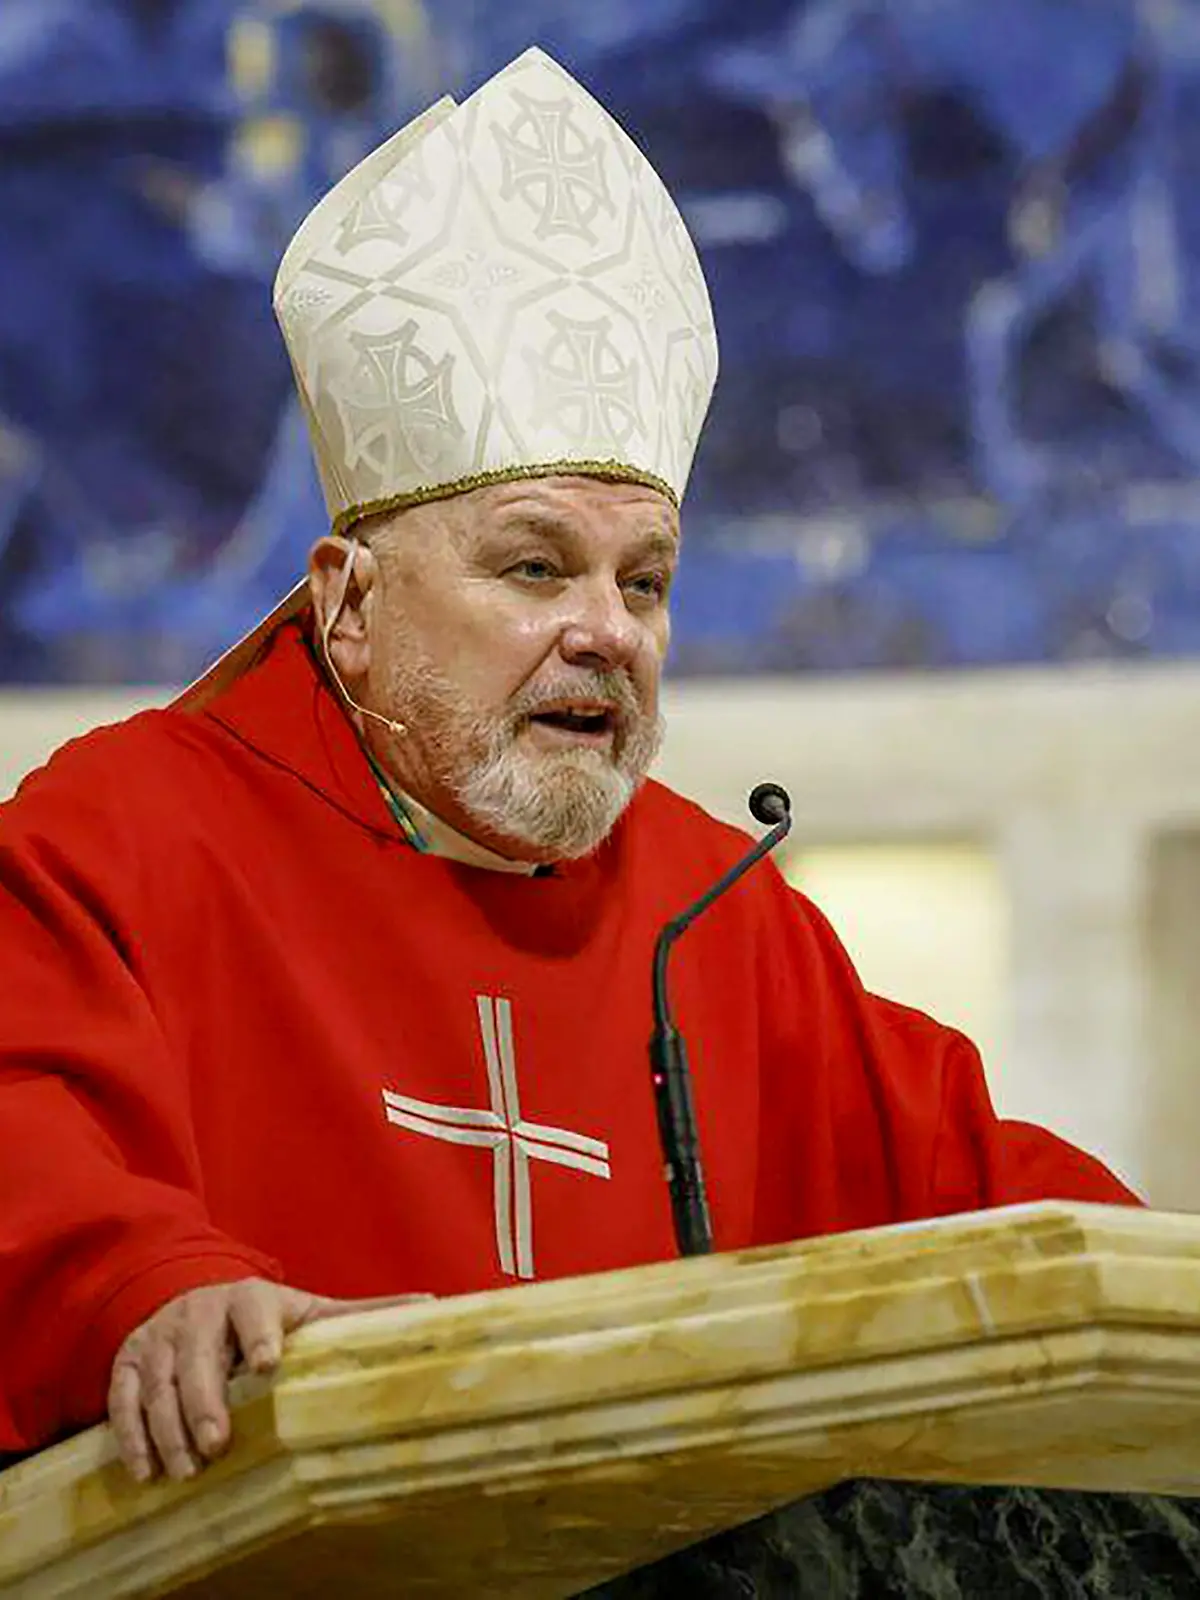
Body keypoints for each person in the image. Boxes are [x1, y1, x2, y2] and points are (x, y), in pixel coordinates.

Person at [0, 47, 1137, 1488]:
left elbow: (1002, 1213)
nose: (607, 630)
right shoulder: (123, 839)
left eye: (645, 580)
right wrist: (139, 1287)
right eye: (537, 566)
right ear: (348, 603)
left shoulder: (714, 920)